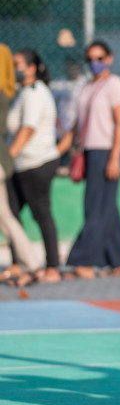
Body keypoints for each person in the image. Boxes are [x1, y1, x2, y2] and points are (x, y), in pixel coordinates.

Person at [59, 41, 120, 278]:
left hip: (107, 150)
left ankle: (84, 260)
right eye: (91, 59)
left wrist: (114, 157)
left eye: (100, 58)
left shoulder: (116, 85)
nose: (95, 63)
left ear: (109, 58)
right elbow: (75, 124)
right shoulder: (87, 87)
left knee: (96, 206)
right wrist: (64, 148)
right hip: (90, 151)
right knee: (106, 206)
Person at [7, 50, 63, 283]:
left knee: (41, 213)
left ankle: (52, 267)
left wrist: (7, 157)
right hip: (20, 165)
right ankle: (18, 263)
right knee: (10, 214)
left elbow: (27, 129)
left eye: (18, 64)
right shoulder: (21, 93)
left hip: (37, 163)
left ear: (32, 67)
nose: (14, 68)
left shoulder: (35, 93)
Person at [0, 43, 42, 288]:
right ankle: (30, 263)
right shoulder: (7, 92)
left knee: (6, 217)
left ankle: (31, 264)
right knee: (5, 216)